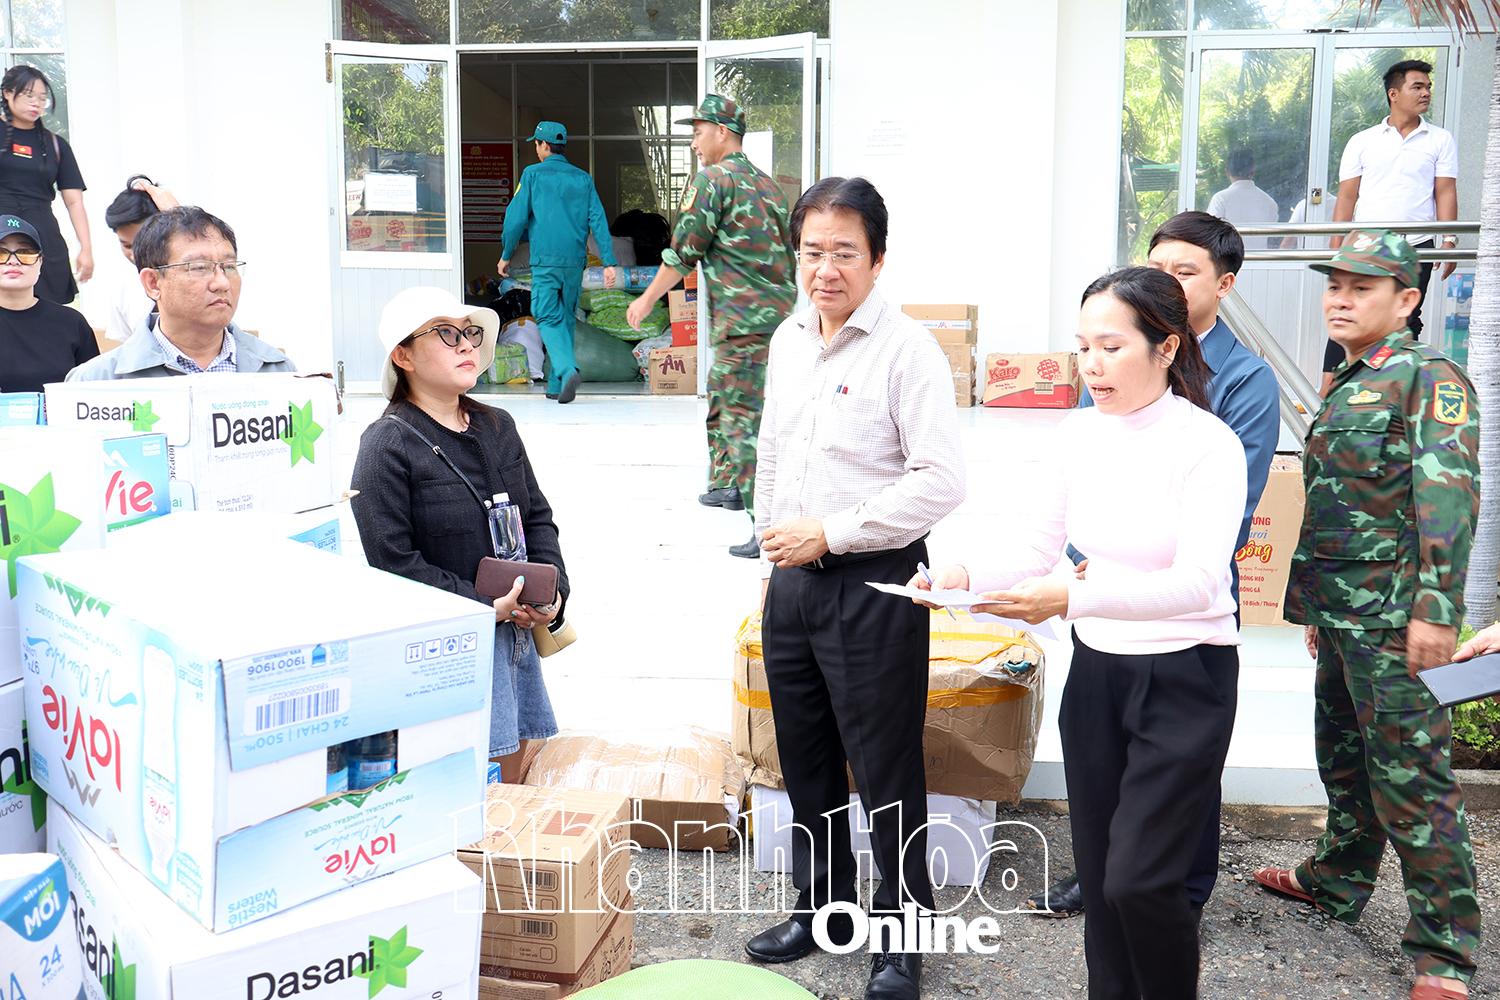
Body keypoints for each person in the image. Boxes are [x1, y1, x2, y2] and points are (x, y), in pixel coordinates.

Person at [920, 266, 1244, 1000]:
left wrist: (1070, 596)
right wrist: (959, 575)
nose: (1091, 365)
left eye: (1111, 347)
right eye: (1083, 347)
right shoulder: (1077, 434)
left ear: (1166, 347)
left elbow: (1199, 583)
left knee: (1140, 880)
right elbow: (1035, 548)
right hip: (1099, 676)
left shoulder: (1208, 445)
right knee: (1100, 878)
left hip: (1185, 678)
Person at [743, 176, 964, 1000]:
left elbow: (941, 480)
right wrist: (774, 546)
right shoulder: (787, 338)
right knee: (805, 756)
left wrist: (831, 534)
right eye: (812, 252)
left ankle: (903, 934)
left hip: (875, 582)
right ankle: (822, 906)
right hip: (793, 581)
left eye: (844, 252)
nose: (825, 269)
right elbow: (772, 451)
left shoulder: (908, 351)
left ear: (877, 259)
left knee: (884, 767)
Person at [1030, 210, 1281, 920]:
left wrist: (1095, 585)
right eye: (1158, 264)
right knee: (1104, 774)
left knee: (1180, 781)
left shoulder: (1242, 382)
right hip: (1103, 608)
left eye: (1185, 270)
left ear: (1222, 285)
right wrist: (1079, 567)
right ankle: (1108, 878)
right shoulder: (1108, 372)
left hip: (1186, 606)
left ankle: (1182, 895)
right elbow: (1083, 489)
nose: (1166, 277)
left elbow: (1230, 517)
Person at [1253, 230, 1480, 1000]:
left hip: (1397, 623)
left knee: (1413, 782)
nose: (1340, 300)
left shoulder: (1428, 378)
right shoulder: (1354, 380)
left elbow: (1447, 501)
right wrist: (1316, 608)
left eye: (1362, 288)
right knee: (1345, 761)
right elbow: (1340, 504)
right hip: (1344, 613)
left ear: (1407, 299)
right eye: (1335, 286)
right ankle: (1337, 879)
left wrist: (1437, 614)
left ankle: (1444, 954)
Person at [350, 286, 567, 777]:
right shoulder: (386, 445)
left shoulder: (498, 426)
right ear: (403, 356)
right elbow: (392, 563)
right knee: (465, 789)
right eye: (446, 334)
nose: (466, 344)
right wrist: (482, 605)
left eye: (470, 333)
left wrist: (552, 592)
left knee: (510, 788)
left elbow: (537, 516)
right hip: (445, 651)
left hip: (515, 634)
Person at [625, 95, 798, 559]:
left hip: (742, 323)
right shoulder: (768, 185)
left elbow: (684, 252)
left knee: (743, 421)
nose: (694, 143)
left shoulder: (712, 181)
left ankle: (768, 528)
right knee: (722, 395)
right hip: (773, 320)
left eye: (699, 133)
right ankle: (726, 484)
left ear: (723, 132)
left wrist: (646, 298)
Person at [1322, 59, 1458, 391]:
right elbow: (1347, 196)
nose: (1426, 93)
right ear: (1393, 94)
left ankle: (1390, 389)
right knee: (1350, 311)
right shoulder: (1362, 140)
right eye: (1417, 86)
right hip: (1367, 244)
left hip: (1417, 244)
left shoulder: (1440, 139)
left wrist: (1450, 240)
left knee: (1406, 315)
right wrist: (1336, 243)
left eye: (1428, 87)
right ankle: (1329, 391)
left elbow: (1445, 191)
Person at [67, 206, 293, 380]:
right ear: (153, 283)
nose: (222, 283)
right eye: (200, 267)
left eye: (230, 267)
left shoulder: (279, 372)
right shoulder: (97, 382)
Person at [497, 121, 619, 404]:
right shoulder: (583, 178)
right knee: (564, 318)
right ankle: (556, 384)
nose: (536, 149)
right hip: (575, 262)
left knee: (545, 314)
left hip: (546, 262)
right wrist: (609, 261)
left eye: (536, 144)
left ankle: (566, 369)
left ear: (544, 145)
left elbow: (515, 218)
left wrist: (506, 254)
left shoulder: (532, 175)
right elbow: (598, 220)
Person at [0, 65, 91, 304]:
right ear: (7, 93)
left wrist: (86, 248)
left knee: (47, 306)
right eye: (29, 95)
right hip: (1, 229)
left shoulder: (56, 145)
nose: (36, 103)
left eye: (42, 98)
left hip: (43, 236)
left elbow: (74, 202)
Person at [0, 213, 96, 390]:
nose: (13, 261)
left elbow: (94, 390)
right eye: (1, 253)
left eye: (25, 253)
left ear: (40, 262)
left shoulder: (72, 323)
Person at [102, 175, 179, 343]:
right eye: (127, 246)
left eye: (142, 244)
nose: (135, 255)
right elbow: (122, 348)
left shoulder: (198, 275)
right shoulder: (123, 290)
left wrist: (178, 216)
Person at [1206, 148, 1278, 250]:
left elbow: (1210, 232)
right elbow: (1272, 237)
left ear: (1227, 172)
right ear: (1253, 170)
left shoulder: (1220, 199)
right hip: (1260, 258)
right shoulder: (1269, 202)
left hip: (1229, 258)